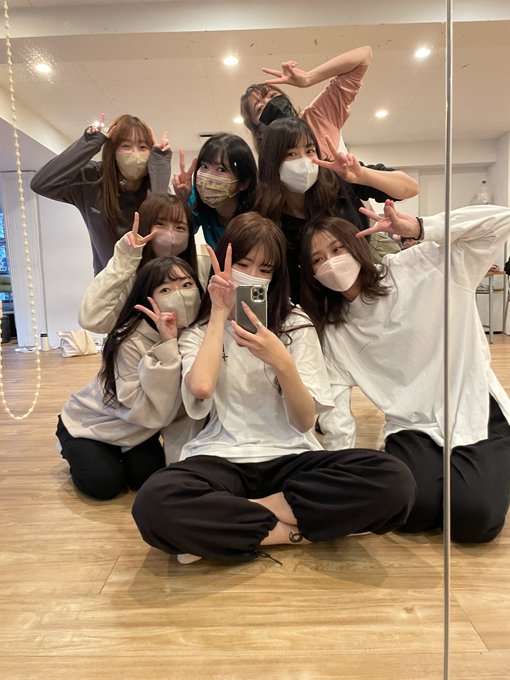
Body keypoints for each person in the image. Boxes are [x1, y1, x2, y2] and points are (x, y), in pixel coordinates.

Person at [131, 212, 416, 564]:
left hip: (292, 456)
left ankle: (236, 522)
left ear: (277, 276)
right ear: (222, 263)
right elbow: (201, 387)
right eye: (243, 264)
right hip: (223, 457)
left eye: (265, 269)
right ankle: (298, 529)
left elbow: (304, 422)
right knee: (153, 504)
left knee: (394, 480)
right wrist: (218, 313)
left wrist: (282, 362)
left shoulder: (295, 324)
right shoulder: (199, 332)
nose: (253, 275)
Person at [299, 201, 510, 543]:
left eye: (337, 249)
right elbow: (335, 410)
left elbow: (500, 221)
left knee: (474, 518)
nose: (331, 263)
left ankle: (494, 462)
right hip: (412, 426)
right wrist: (339, 472)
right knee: (411, 512)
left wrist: (422, 228)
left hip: (472, 406)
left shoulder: (420, 265)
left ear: (357, 245)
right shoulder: (335, 330)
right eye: (318, 260)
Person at [56, 256, 202, 500]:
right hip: (94, 423)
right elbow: (149, 410)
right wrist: (168, 346)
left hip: (139, 431)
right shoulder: (130, 339)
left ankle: (119, 456)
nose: (180, 295)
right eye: (165, 290)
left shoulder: (195, 334)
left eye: (187, 285)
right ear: (148, 299)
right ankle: (74, 448)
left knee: (145, 478)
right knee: (105, 485)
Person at [255, 117, 411, 301]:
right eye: (291, 153)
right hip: (321, 301)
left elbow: (409, 187)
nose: (304, 161)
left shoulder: (337, 176)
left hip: (370, 266)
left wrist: (361, 175)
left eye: (309, 150)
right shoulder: (269, 218)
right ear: (271, 162)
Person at [30, 113, 172, 274]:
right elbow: (41, 184)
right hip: (107, 283)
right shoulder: (92, 178)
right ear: (113, 150)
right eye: (126, 146)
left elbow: (165, 232)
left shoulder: (155, 186)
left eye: (143, 147)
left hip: (152, 281)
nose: (135, 154)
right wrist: (89, 143)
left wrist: (160, 169)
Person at [79, 193, 209, 335]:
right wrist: (125, 258)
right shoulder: (129, 273)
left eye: (180, 228)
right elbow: (92, 320)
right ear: (145, 226)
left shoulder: (202, 267)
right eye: (160, 224)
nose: (170, 234)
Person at [240, 46, 373, 158]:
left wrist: (309, 78)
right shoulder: (269, 163)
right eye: (260, 108)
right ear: (258, 132)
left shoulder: (317, 117)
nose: (271, 104)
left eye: (273, 95)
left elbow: (364, 55)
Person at [172, 133, 258, 249]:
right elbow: (178, 235)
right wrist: (182, 201)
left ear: (244, 183)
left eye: (221, 169)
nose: (208, 177)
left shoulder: (259, 216)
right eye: (204, 166)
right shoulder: (196, 200)